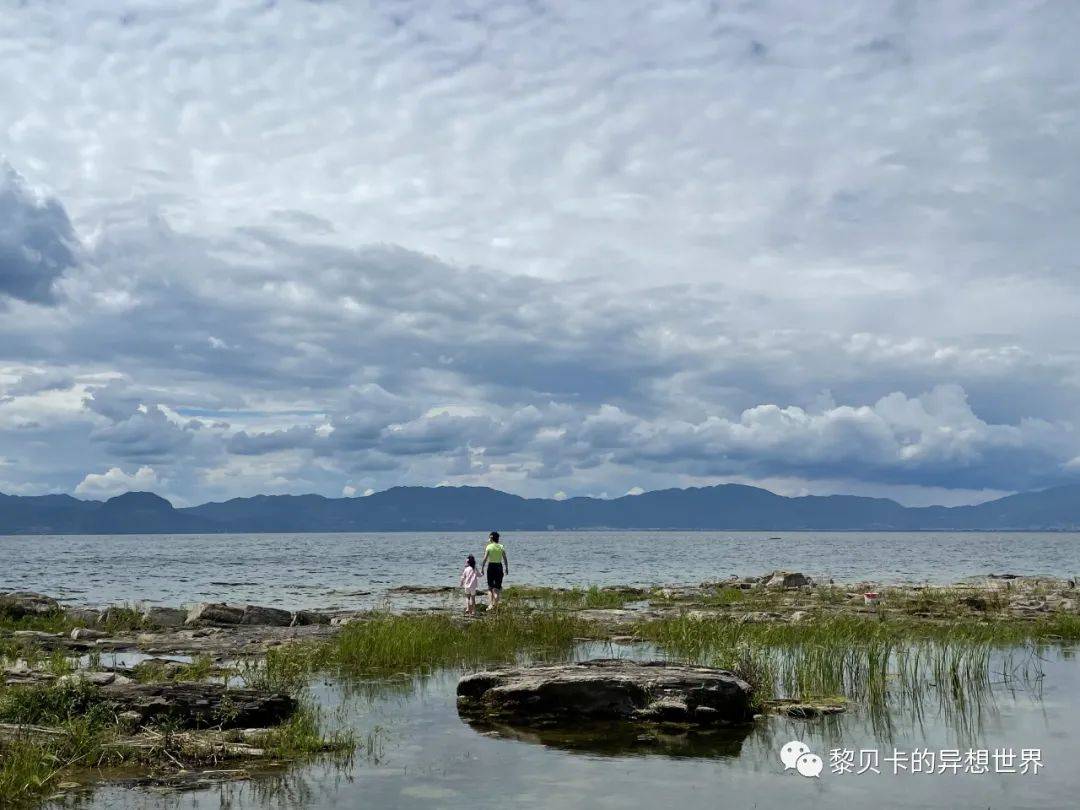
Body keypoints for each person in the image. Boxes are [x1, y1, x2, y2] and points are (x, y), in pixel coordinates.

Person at [480, 531, 509, 610]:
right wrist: (506, 568)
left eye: (489, 537)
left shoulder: (489, 547)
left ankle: (490, 605)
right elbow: (505, 559)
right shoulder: (501, 546)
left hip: (491, 566)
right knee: (497, 588)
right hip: (499, 567)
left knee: (490, 588)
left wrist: (482, 568)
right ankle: (495, 604)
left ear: (491, 538)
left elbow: (485, 558)